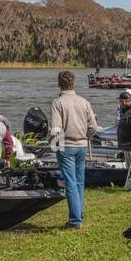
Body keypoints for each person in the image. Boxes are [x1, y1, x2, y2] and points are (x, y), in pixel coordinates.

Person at [49, 70, 100, 230]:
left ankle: (75, 221)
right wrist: (86, 137)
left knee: (70, 183)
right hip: (82, 145)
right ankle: (79, 214)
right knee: (79, 181)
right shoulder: (84, 102)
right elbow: (93, 127)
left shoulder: (57, 103)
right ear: (74, 83)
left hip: (66, 145)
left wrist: (52, 144)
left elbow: (56, 129)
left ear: (59, 84)